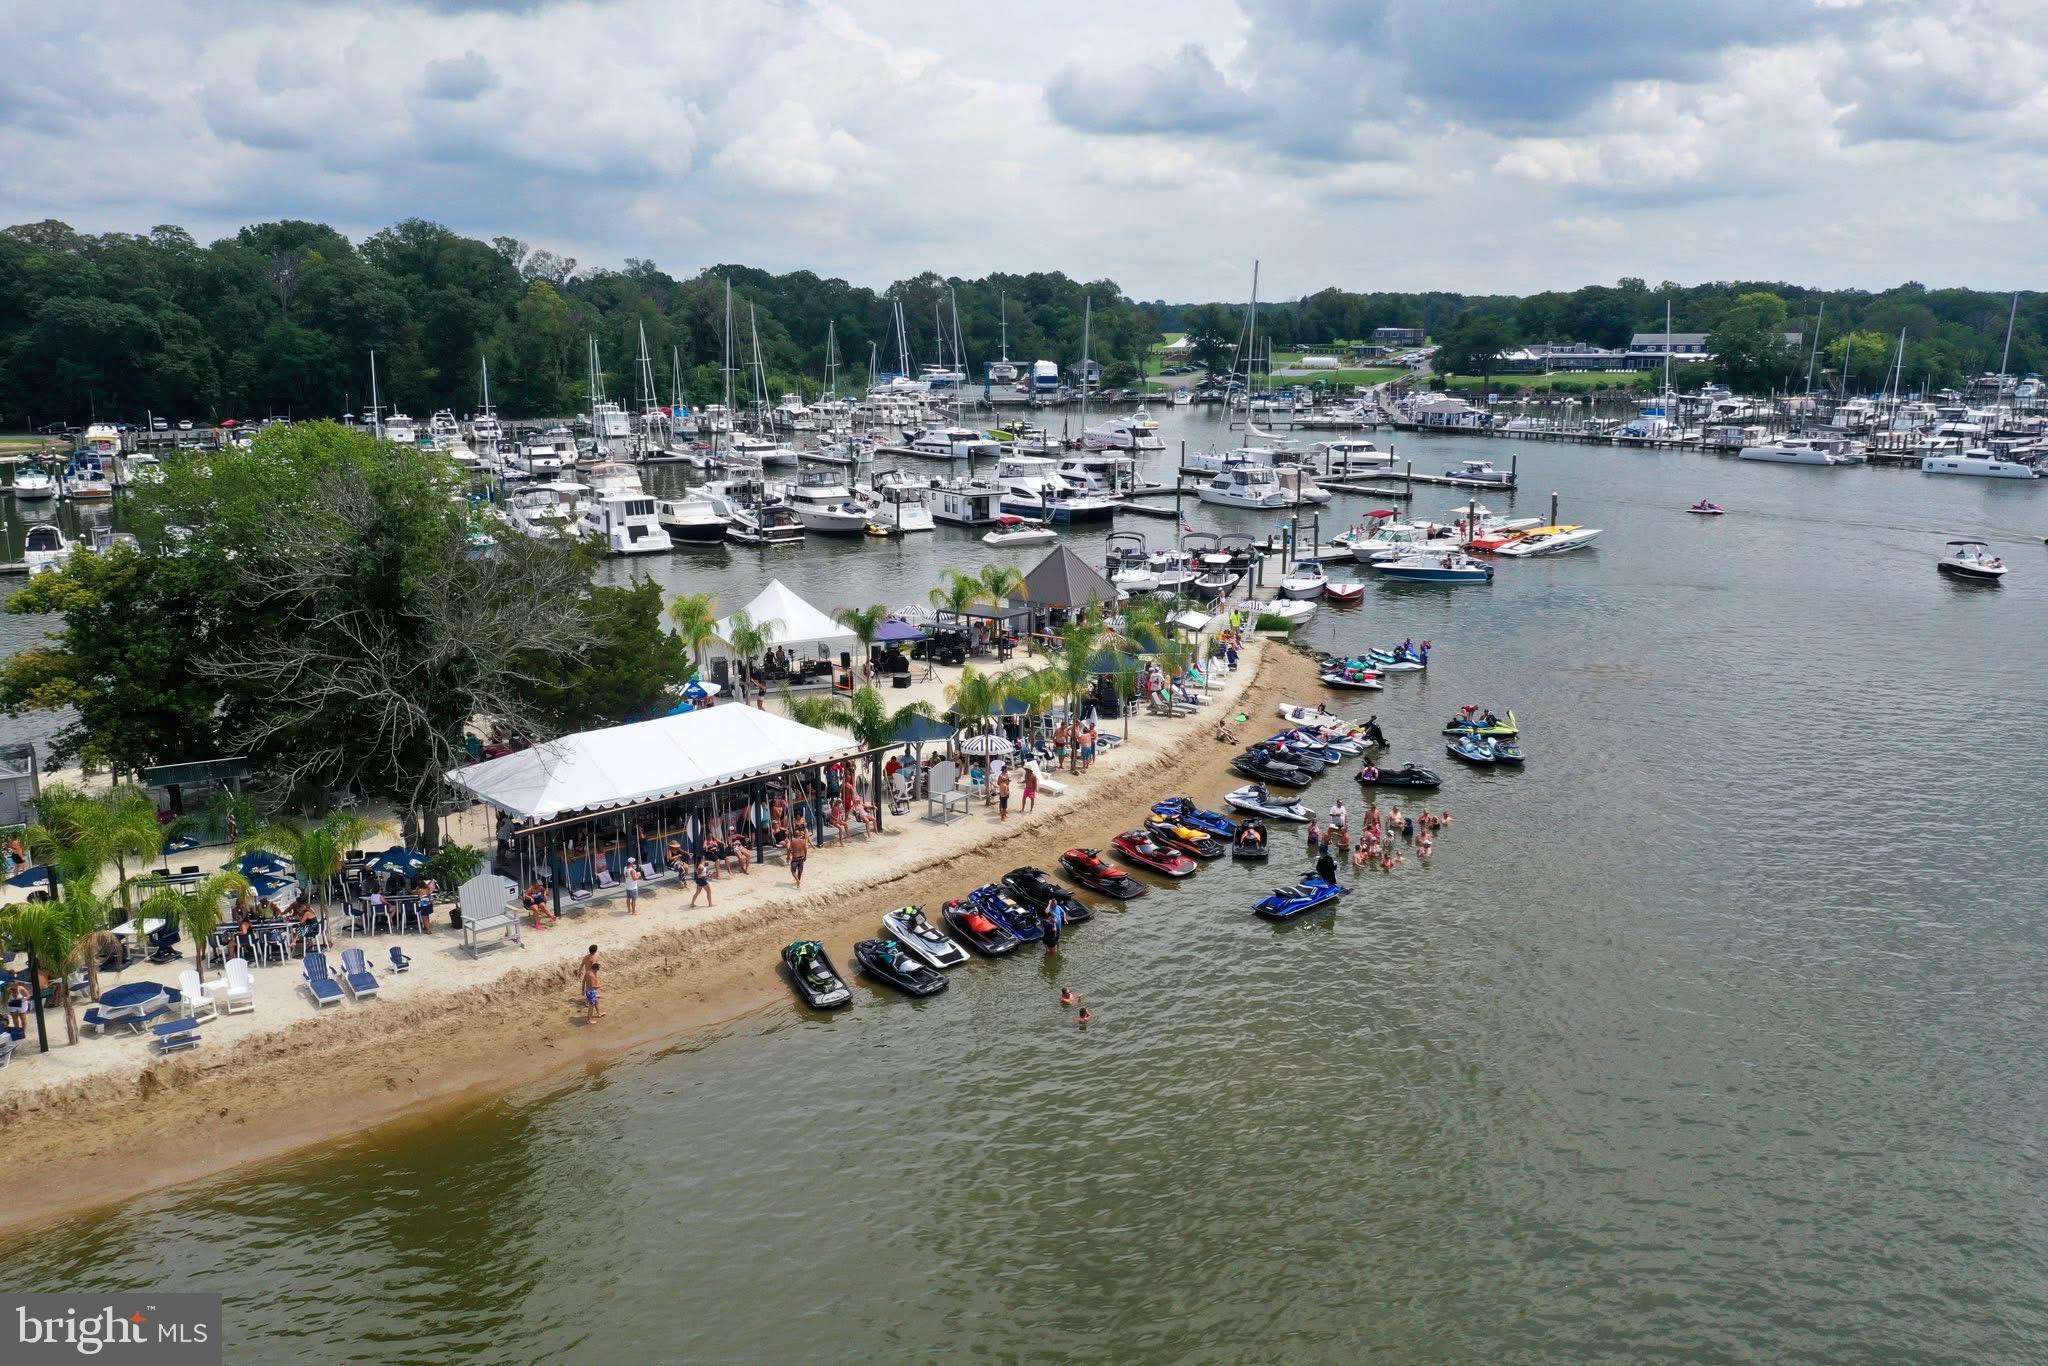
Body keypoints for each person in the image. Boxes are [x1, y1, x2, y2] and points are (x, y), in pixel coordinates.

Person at [582, 954, 604, 1022]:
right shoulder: (592, 976)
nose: (597, 971)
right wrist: (600, 985)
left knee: (597, 1001)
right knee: (591, 1007)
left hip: (589, 991)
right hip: (591, 992)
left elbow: (583, 982)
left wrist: (582, 991)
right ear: (595, 969)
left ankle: (599, 1013)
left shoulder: (587, 973)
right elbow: (593, 986)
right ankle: (589, 1020)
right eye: (597, 970)